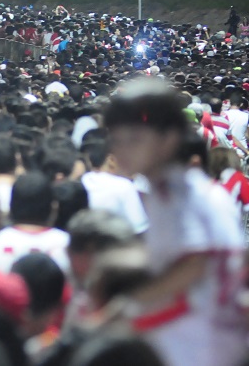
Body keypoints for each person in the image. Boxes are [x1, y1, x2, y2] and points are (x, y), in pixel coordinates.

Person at [104, 80, 245, 366]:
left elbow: (194, 265)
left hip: (204, 344)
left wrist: (126, 306)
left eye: (134, 139)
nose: (122, 150)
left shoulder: (186, 193)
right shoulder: (163, 189)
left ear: (168, 140)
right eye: (117, 140)